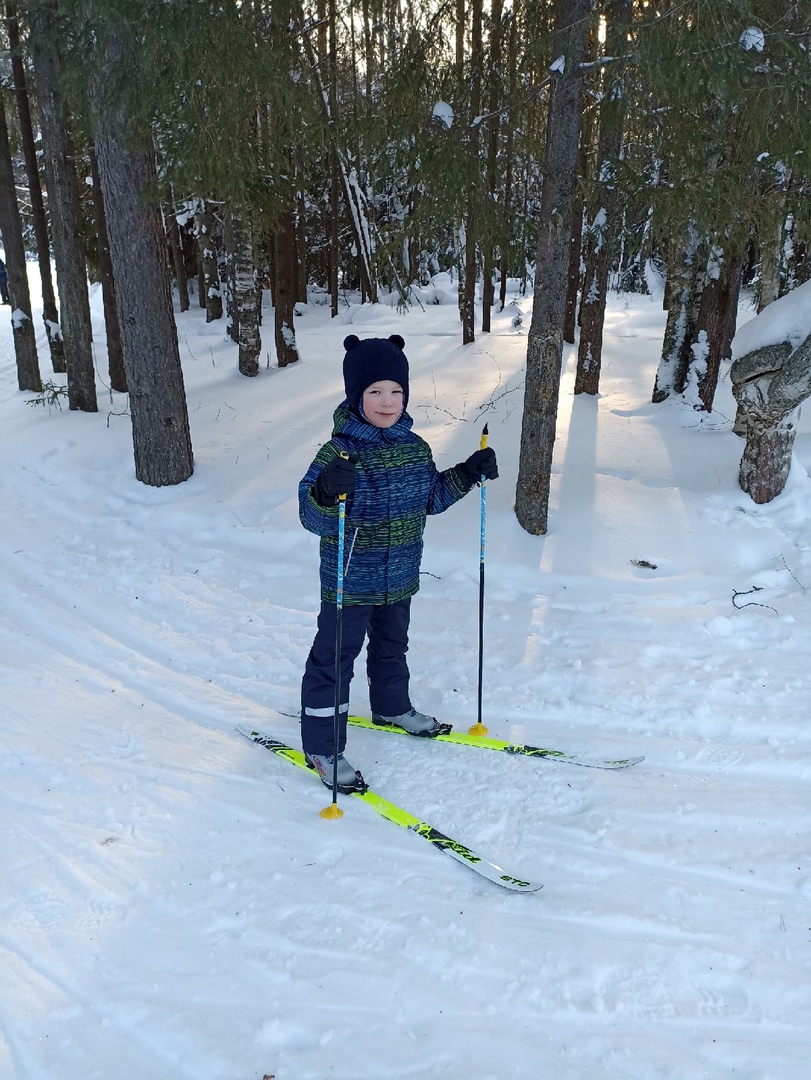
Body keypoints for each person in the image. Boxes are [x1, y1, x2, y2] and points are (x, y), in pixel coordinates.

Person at [298, 333, 498, 793]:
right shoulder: (338, 452)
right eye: (375, 392)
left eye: (396, 391)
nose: (387, 402)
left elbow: (429, 498)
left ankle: (390, 706)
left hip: (400, 577)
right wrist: (328, 492)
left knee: (392, 649)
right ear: (356, 395)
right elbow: (311, 516)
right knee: (333, 662)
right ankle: (323, 747)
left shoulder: (415, 449)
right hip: (350, 582)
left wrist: (467, 472)